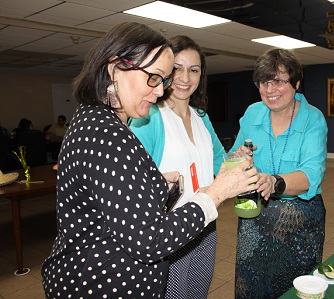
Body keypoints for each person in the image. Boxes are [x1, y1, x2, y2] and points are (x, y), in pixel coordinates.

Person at [40, 22, 258, 299]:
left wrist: (153, 182)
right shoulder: (107, 135)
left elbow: (117, 197)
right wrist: (215, 194)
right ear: (115, 68)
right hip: (101, 283)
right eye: (153, 78)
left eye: (163, 80)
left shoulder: (97, 121)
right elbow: (148, 241)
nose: (159, 91)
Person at [129, 35, 224, 299]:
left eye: (193, 70)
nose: (185, 77)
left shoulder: (202, 117)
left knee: (198, 294)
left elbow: (221, 161)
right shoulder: (148, 119)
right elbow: (132, 182)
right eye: (177, 69)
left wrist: (238, 164)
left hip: (206, 227)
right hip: (170, 233)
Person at [229, 48, 328, 298]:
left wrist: (274, 182)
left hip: (299, 221)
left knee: (293, 288)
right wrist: (236, 158)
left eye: (278, 81)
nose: (270, 89)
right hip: (254, 215)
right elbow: (231, 157)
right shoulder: (252, 113)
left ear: (295, 83)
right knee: (251, 286)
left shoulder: (312, 119)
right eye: (264, 82)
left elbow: (310, 175)